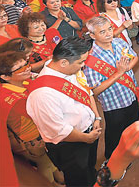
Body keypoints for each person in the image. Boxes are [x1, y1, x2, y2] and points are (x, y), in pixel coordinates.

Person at [26, 37, 102, 187]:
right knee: (78, 179)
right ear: (63, 62)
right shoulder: (42, 94)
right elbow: (57, 130)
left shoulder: (67, 70)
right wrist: (86, 139)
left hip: (89, 133)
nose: (83, 66)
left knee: (89, 168)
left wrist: (96, 118)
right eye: (81, 62)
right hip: (71, 145)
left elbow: (87, 93)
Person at [0, 50, 64, 186]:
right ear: (5, 76)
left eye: (26, 63)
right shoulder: (14, 100)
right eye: (20, 68)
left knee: (50, 163)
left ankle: (58, 177)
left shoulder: (23, 82)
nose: (28, 68)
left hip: (38, 134)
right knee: (44, 164)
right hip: (32, 141)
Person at [84, 16, 139, 160]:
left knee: (133, 127)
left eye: (109, 29)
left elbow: (135, 58)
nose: (109, 33)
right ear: (92, 35)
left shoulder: (119, 42)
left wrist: (127, 68)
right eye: (102, 32)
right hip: (114, 104)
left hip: (131, 95)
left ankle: (132, 150)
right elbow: (94, 91)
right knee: (115, 135)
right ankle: (112, 160)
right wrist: (120, 73)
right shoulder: (91, 59)